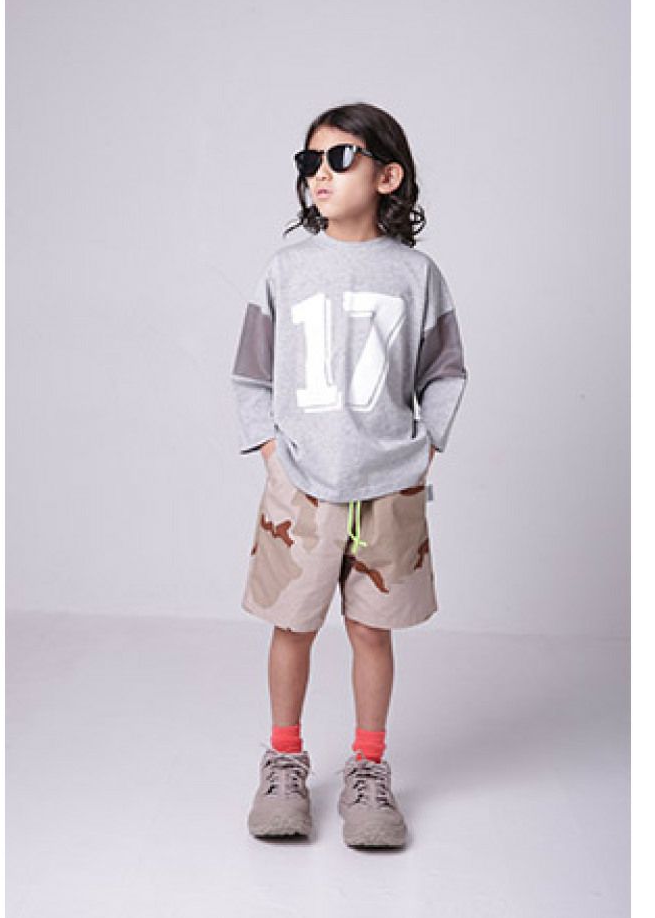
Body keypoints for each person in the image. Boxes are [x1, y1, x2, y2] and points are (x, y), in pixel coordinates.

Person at [230, 102, 468, 848]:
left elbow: (445, 370)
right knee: (292, 626)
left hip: (387, 486)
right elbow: (251, 373)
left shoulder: (416, 275)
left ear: (387, 176)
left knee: (371, 629)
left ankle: (368, 768)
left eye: (340, 158)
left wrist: (424, 447)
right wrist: (271, 453)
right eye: (310, 162)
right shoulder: (286, 270)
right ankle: (284, 761)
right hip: (299, 486)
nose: (320, 175)